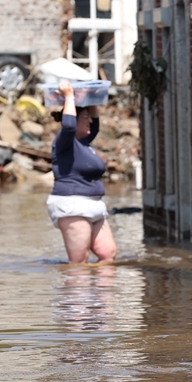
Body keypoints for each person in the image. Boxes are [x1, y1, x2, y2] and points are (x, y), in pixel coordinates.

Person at [46, 81, 117, 264]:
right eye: (85, 117)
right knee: (79, 262)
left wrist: (91, 96)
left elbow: (95, 125)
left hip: (94, 205)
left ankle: (102, 293)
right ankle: (77, 292)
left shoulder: (84, 141)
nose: (90, 121)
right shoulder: (64, 142)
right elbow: (68, 127)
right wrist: (69, 96)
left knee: (108, 254)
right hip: (72, 206)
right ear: (75, 120)